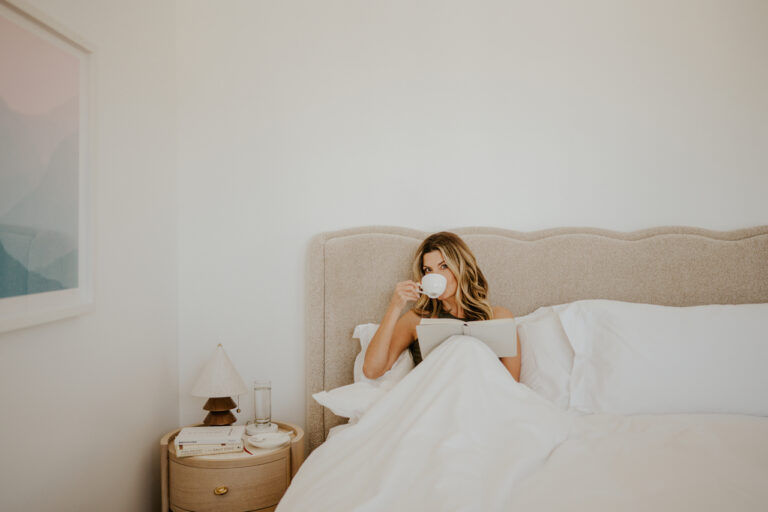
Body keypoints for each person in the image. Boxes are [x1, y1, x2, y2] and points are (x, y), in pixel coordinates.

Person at [363, 231, 521, 381]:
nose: (435, 276)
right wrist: (395, 306)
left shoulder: (499, 318)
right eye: (428, 270)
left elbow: (510, 386)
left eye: (444, 266)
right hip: (436, 399)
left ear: (461, 267)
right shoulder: (416, 319)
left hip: (481, 400)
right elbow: (372, 370)